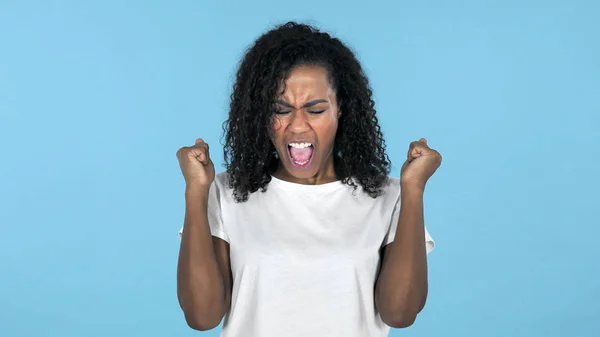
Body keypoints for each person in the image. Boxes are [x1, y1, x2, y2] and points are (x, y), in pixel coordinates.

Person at [176, 22, 441, 337]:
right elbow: (201, 317)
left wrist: (413, 190)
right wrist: (195, 191)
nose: (297, 127)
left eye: (315, 110)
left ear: (340, 109)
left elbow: (400, 314)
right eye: (281, 110)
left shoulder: (388, 196)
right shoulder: (225, 192)